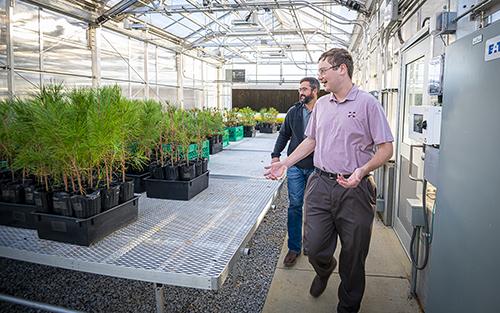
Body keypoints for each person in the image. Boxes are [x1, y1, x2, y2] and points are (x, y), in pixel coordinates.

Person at [265, 48, 393, 313]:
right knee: (314, 247)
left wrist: (362, 170)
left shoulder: (367, 103)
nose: (319, 77)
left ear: (342, 69)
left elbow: (386, 148)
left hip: (354, 188)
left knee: (354, 254)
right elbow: (311, 141)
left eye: (324, 70)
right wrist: (285, 163)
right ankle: (324, 269)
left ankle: (347, 305)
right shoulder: (321, 104)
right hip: (320, 183)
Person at [271, 77, 320, 267]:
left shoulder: (325, 111)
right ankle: (294, 247)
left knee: (315, 208)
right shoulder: (294, 111)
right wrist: (276, 156)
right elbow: (284, 134)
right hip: (296, 167)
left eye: (304, 89)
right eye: (299, 89)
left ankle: (313, 245)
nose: (301, 93)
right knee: (295, 205)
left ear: (315, 90)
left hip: (318, 167)